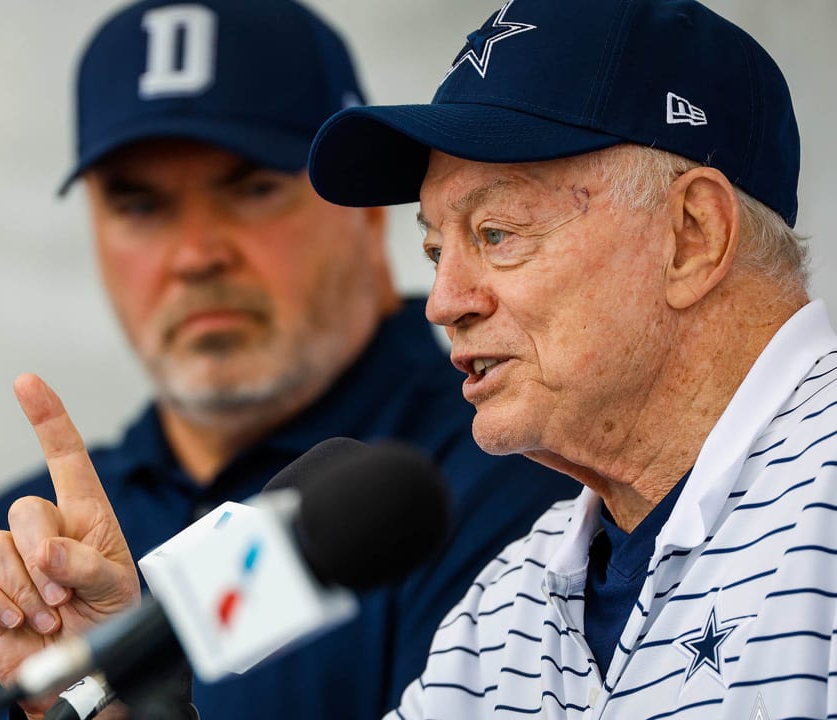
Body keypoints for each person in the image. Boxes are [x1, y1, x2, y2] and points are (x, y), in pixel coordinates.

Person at [0, 0, 577, 718]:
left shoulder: (515, 471)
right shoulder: (17, 561)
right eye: (141, 206)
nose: (195, 255)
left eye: (251, 189)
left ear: (368, 211)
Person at [303, 0, 836, 716]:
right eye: (436, 250)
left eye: (496, 233)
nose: (442, 301)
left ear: (693, 235)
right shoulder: (506, 607)